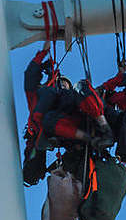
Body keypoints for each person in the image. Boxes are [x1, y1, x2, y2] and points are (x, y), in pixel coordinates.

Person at [22, 43, 112, 184]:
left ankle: (102, 129)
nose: (63, 86)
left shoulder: (73, 97)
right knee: (30, 175)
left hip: (69, 127)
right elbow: (30, 76)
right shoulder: (41, 97)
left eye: (66, 85)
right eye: (61, 83)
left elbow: (87, 95)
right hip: (48, 129)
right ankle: (89, 137)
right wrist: (43, 53)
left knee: (82, 86)